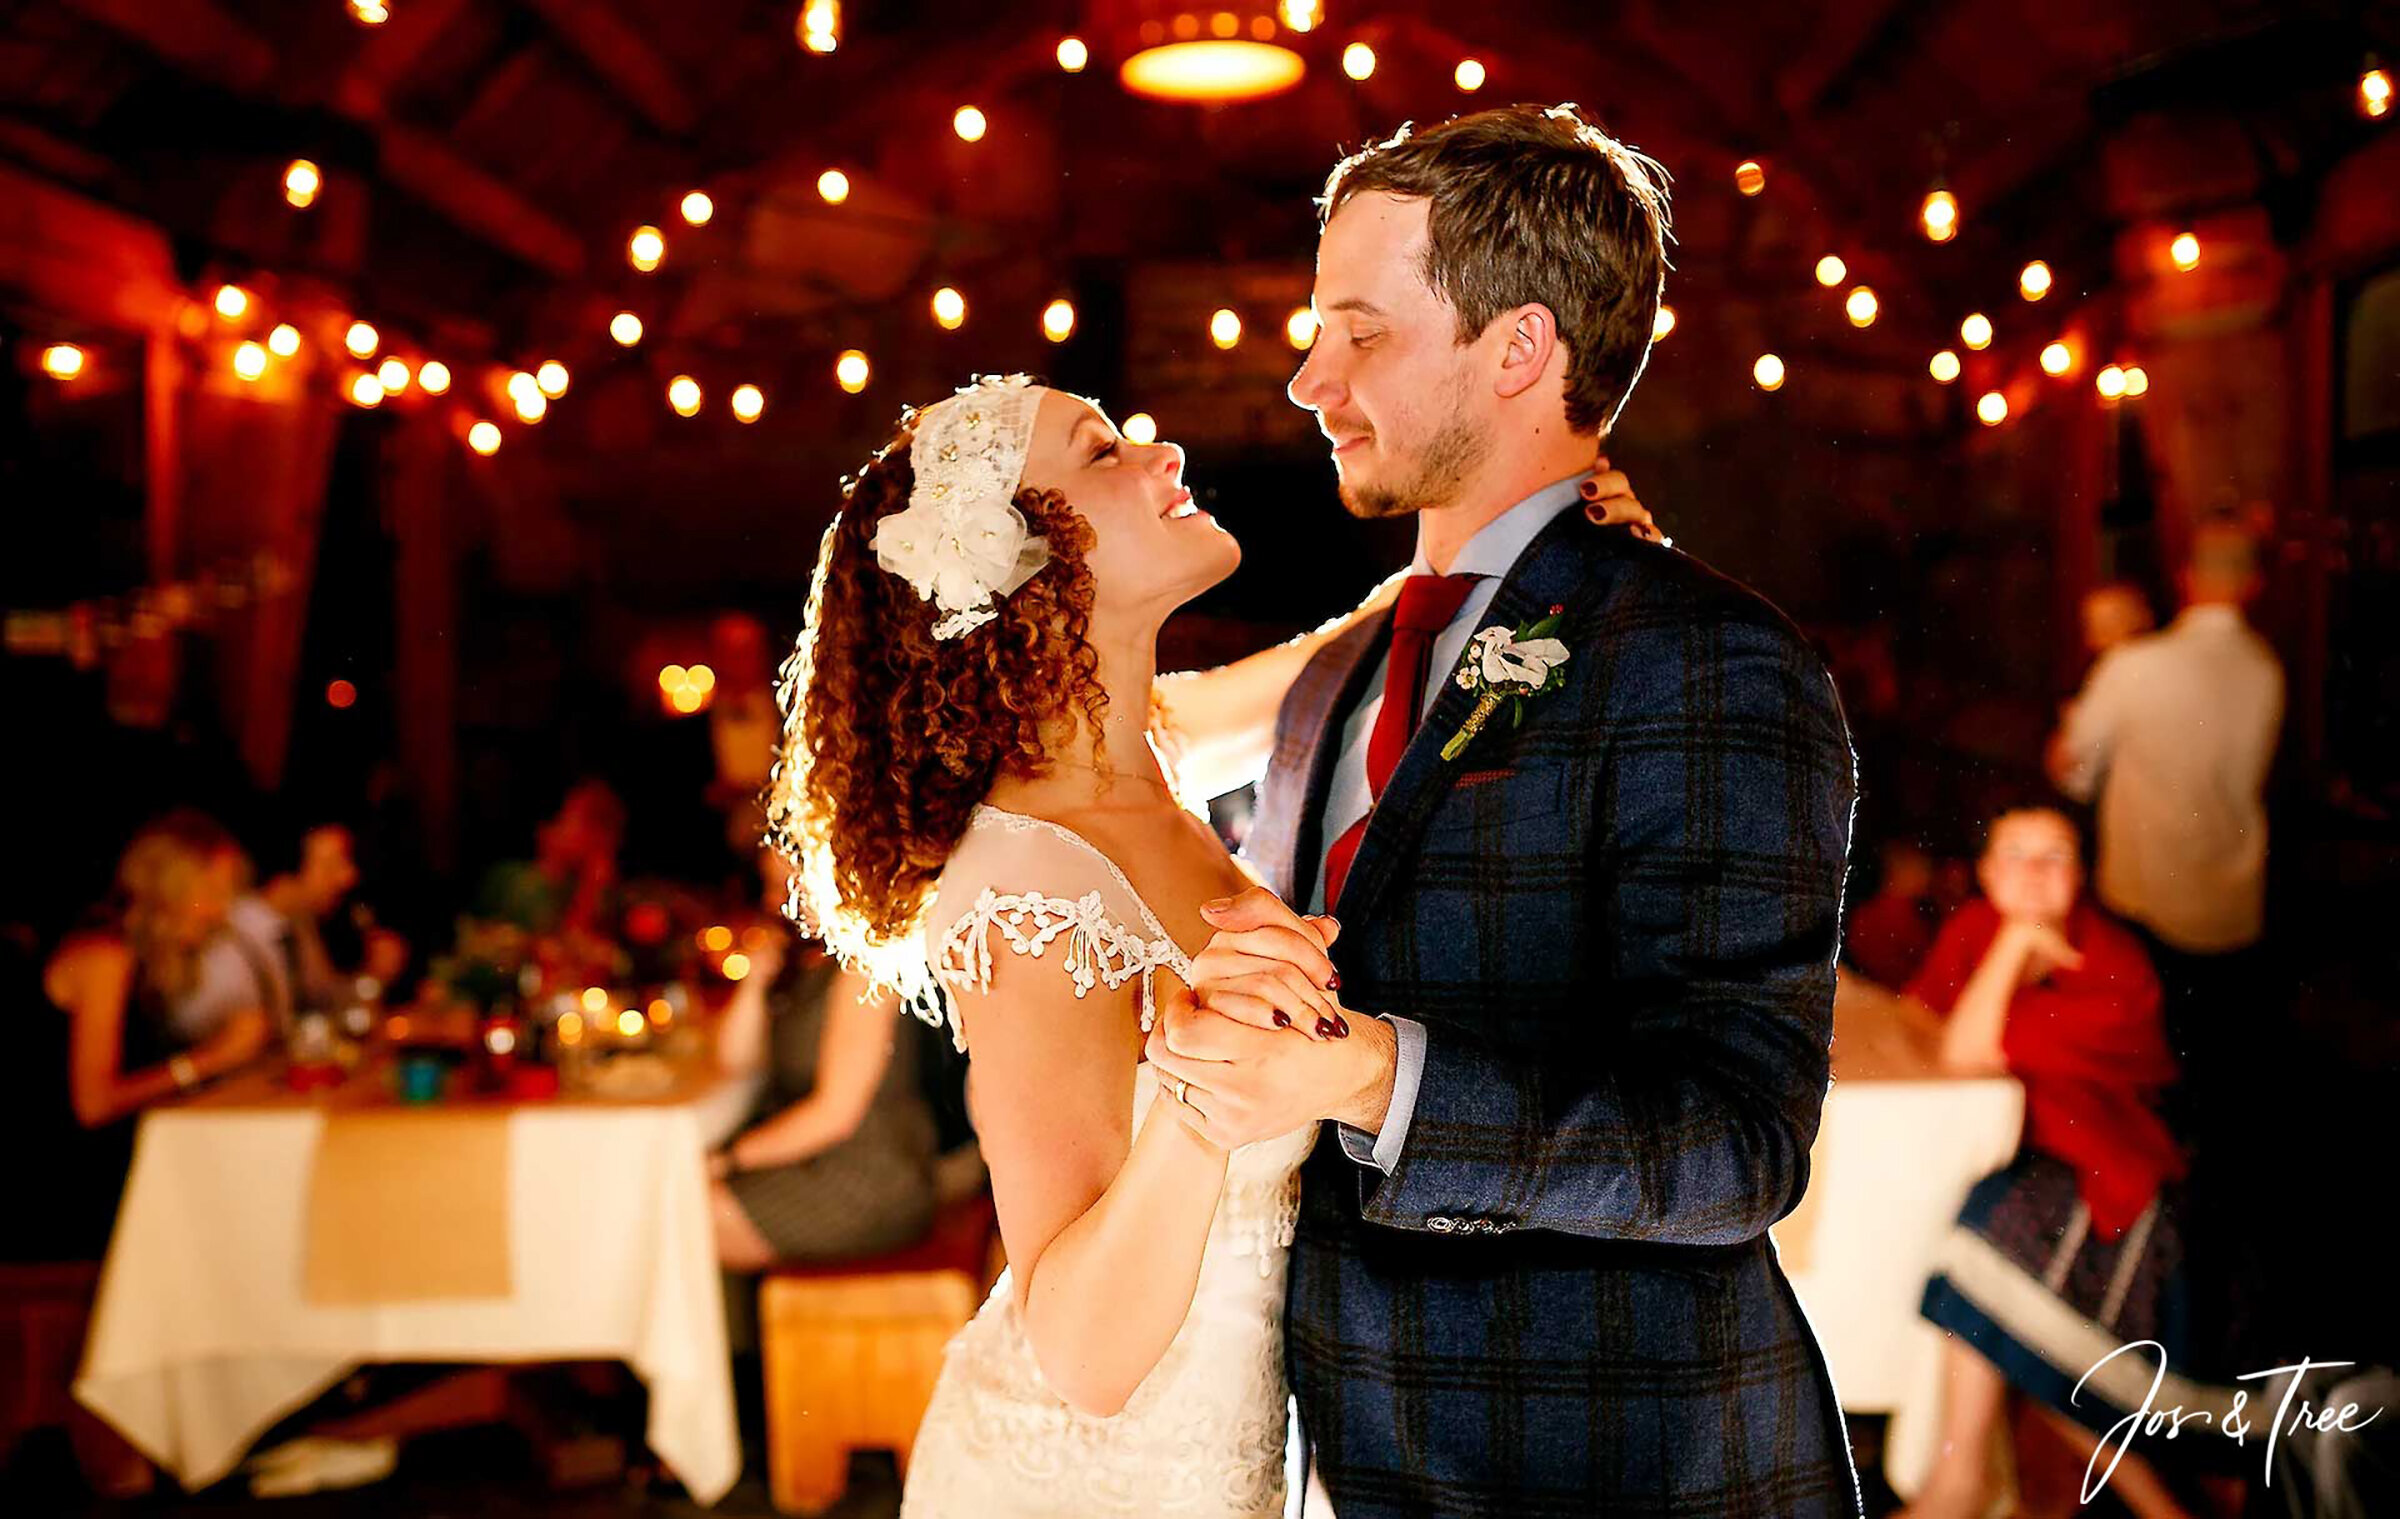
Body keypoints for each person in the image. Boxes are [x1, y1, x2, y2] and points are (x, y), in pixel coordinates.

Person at [767, 371, 1659, 1511]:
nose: (1161, 457)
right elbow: (1085, 1354)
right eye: (1103, 454)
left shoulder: (1147, 756)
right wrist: (1201, 1092)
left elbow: (1372, 642)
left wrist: (1525, 549)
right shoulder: (1028, 889)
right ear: (1018, 565)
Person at [1147, 106, 1859, 1516]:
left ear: (1519, 349)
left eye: (1359, 331)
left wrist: (1371, 1077)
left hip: (1625, 1464)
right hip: (1349, 1452)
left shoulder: (1705, 657)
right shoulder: (1336, 674)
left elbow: (1737, 1141)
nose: (1306, 379)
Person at [1895, 805, 2231, 1517]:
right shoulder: (1975, 927)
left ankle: (1956, 1488)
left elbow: (1963, 1053)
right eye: (2015, 852)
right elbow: (1922, 1017)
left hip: (2113, 1187)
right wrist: (2005, 946)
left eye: (2056, 854)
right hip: (2035, 1159)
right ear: (1986, 872)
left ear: (2082, 874)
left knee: (1988, 1247)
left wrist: (2015, 947)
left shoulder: (2112, 961)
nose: (2035, 871)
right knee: (2019, 1324)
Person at [2046, 521, 2283, 1122]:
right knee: (2217, 1076)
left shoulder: (2134, 665)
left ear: (2184, 579)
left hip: (2147, 904)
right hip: (2233, 908)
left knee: (2148, 1082)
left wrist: (2097, 682)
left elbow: (2071, 772)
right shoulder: (2267, 669)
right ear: (2252, 585)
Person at [704, 845, 943, 1269]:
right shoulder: (805, 964)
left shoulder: (863, 968)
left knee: (685, 1218)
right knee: (680, 1212)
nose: (774, 901)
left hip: (865, 1178)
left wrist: (727, 1159)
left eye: (787, 885)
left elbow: (835, 1113)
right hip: (811, 1163)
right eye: (770, 886)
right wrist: (754, 983)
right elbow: (735, 1061)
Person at [174, 816, 399, 1042]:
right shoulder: (226, 940)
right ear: (285, 874)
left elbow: (323, 1002)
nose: (348, 876)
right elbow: (199, 1033)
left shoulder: (297, 925)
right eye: (330, 865)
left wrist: (373, 976)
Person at [473, 778, 625, 939]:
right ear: (547, 828)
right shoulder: (512, 880)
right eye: (586, 821)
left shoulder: (572, 889)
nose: (595, 838)